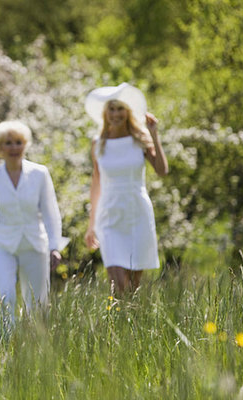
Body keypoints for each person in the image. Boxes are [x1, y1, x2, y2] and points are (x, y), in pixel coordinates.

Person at [0, 120, 70, 331]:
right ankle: (6, 340)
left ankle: (35, 345)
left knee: (37, 298)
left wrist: (55, 246)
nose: (14, 147)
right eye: (8, 143)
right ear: (0, 148)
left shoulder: (40, 174)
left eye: (18, 142)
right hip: (2, 244)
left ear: (25, 145)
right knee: (5, 291)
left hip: (35, 242)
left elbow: (50, 212)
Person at [84, 83, 168, 294]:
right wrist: (91, 224)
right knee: (117, 283)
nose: (115, 114)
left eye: (120, 109)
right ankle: (115, 324)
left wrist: (154, 135)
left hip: (136, 211)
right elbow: (96, 183)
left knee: (132, 287)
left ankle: (129, 324)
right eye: (111, 109)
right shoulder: (98, 143)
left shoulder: (140, 140)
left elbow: (162, 170)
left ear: (128, 111)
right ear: (105, 113)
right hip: (109, 214)